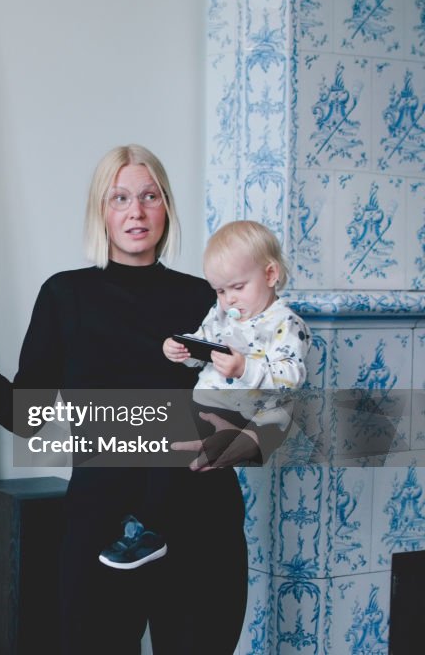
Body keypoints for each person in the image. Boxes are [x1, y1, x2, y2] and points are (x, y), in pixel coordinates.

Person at [0, 144, 254, 653]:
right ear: (101, 211)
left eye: (150, 196)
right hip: (103, 529)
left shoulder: (207, 299)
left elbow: (265, 403)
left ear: (167, 206)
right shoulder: (65, 297)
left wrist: (236, 439)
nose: (136, 211)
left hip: (200, 528)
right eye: (119, 197)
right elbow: (27, 416)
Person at [98, 220, 310, 571]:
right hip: (204, 404)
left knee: (174, 450)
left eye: (237, 288)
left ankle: (149, 529)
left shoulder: (286, 325)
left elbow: (291, 378)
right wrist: (182, 348)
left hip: (239, 414)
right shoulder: (226, 313)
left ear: (270, 274)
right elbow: (205, 341)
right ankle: (145, 524)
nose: (229, 300)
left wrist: (244, 369)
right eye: (220, 291)